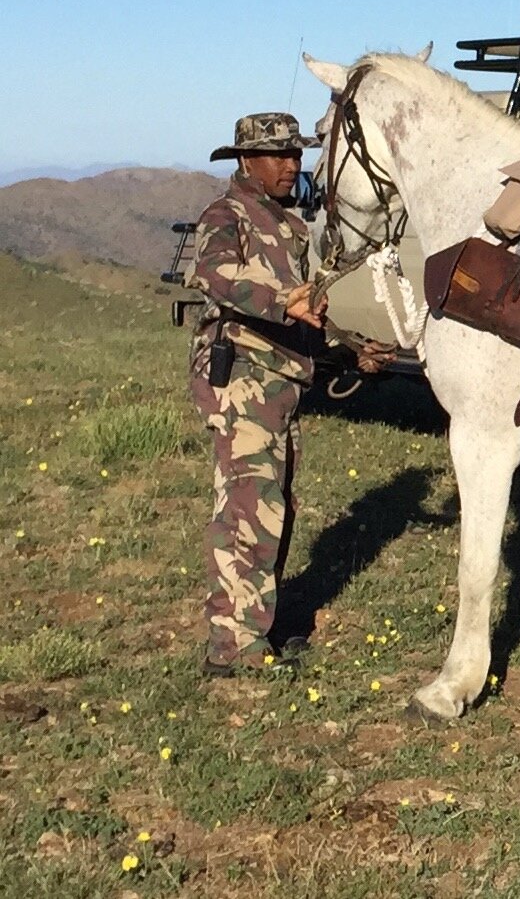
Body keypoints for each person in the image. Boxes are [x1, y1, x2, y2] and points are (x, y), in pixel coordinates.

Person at [187, 113, 327, 676]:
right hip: (241, 376)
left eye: (295, 153)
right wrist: (281, 299)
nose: (292, 164)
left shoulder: (288, 225)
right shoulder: (227, 215)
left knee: (274, 508)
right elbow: (214, 273)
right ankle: (234, 650)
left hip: (281, 379)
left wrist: (354, 348)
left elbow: (304, 308)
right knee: (247, 508)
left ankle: (260, 626)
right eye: (278, 155)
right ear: (247, 161)